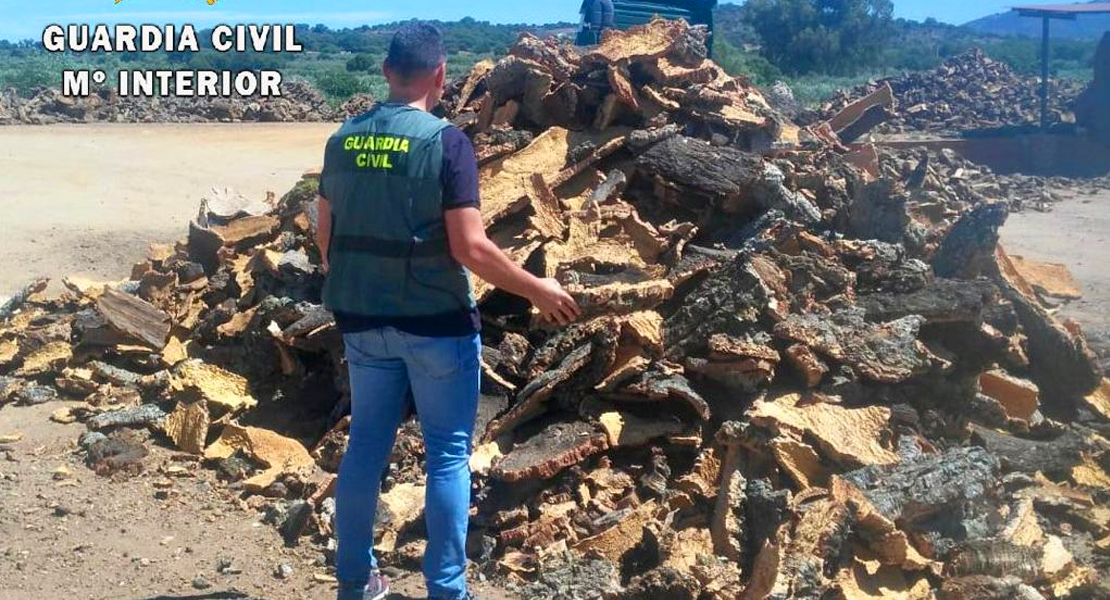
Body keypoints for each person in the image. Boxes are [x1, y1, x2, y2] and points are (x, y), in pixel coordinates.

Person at [314, 22, 581, 600]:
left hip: (360, 320)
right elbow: (470, 247)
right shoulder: (445, 142)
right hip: (436, 324)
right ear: (440, 75)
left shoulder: (341, 140)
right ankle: (447, 589)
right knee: (449, 454)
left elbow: (325, 238)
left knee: (365, 445)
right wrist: (538, 288)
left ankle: (354, 584)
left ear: (387, 72)